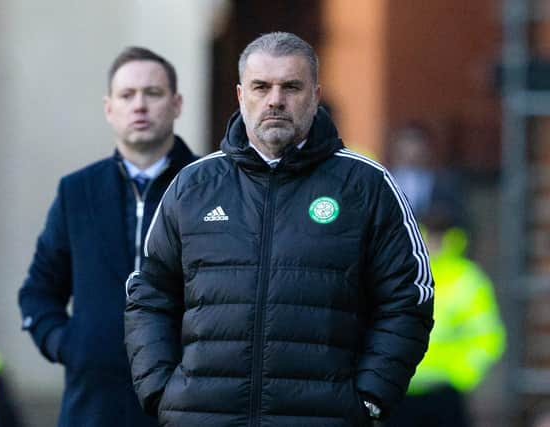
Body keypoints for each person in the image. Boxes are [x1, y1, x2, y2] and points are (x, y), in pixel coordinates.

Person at [125, 32, 434, 426]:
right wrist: (160, 392)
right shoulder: (193, 187)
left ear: (316, 95)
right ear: (241, 95)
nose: (275, 100)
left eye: (291, 86)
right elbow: (149, 295)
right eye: (261, 87)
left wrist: (369, 399)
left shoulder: (366, 187)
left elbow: (409, 299)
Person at [18, 47, 197, 427]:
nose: (140, 106)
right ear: (109, 108)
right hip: (92, 406)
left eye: (153, 93)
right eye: (127, 95)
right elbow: (37, 290)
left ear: (177, 103)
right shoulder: (77, 191)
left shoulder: (208, 186)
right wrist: (70, 345)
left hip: (186, 403)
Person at [384, 204, 506, 427]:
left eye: (440, 235)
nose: (433, 241)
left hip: (443, 391)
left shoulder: (467, 279)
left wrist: (462, 375)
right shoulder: (397, 273)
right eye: (426, 233)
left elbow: (487, 336)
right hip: (398, 387)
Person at [387, 123, 464, 225]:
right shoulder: (383, 182)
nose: (411, 152)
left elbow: (459, 218)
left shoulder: (445, 183)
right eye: (407, 143)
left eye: (416, 143)